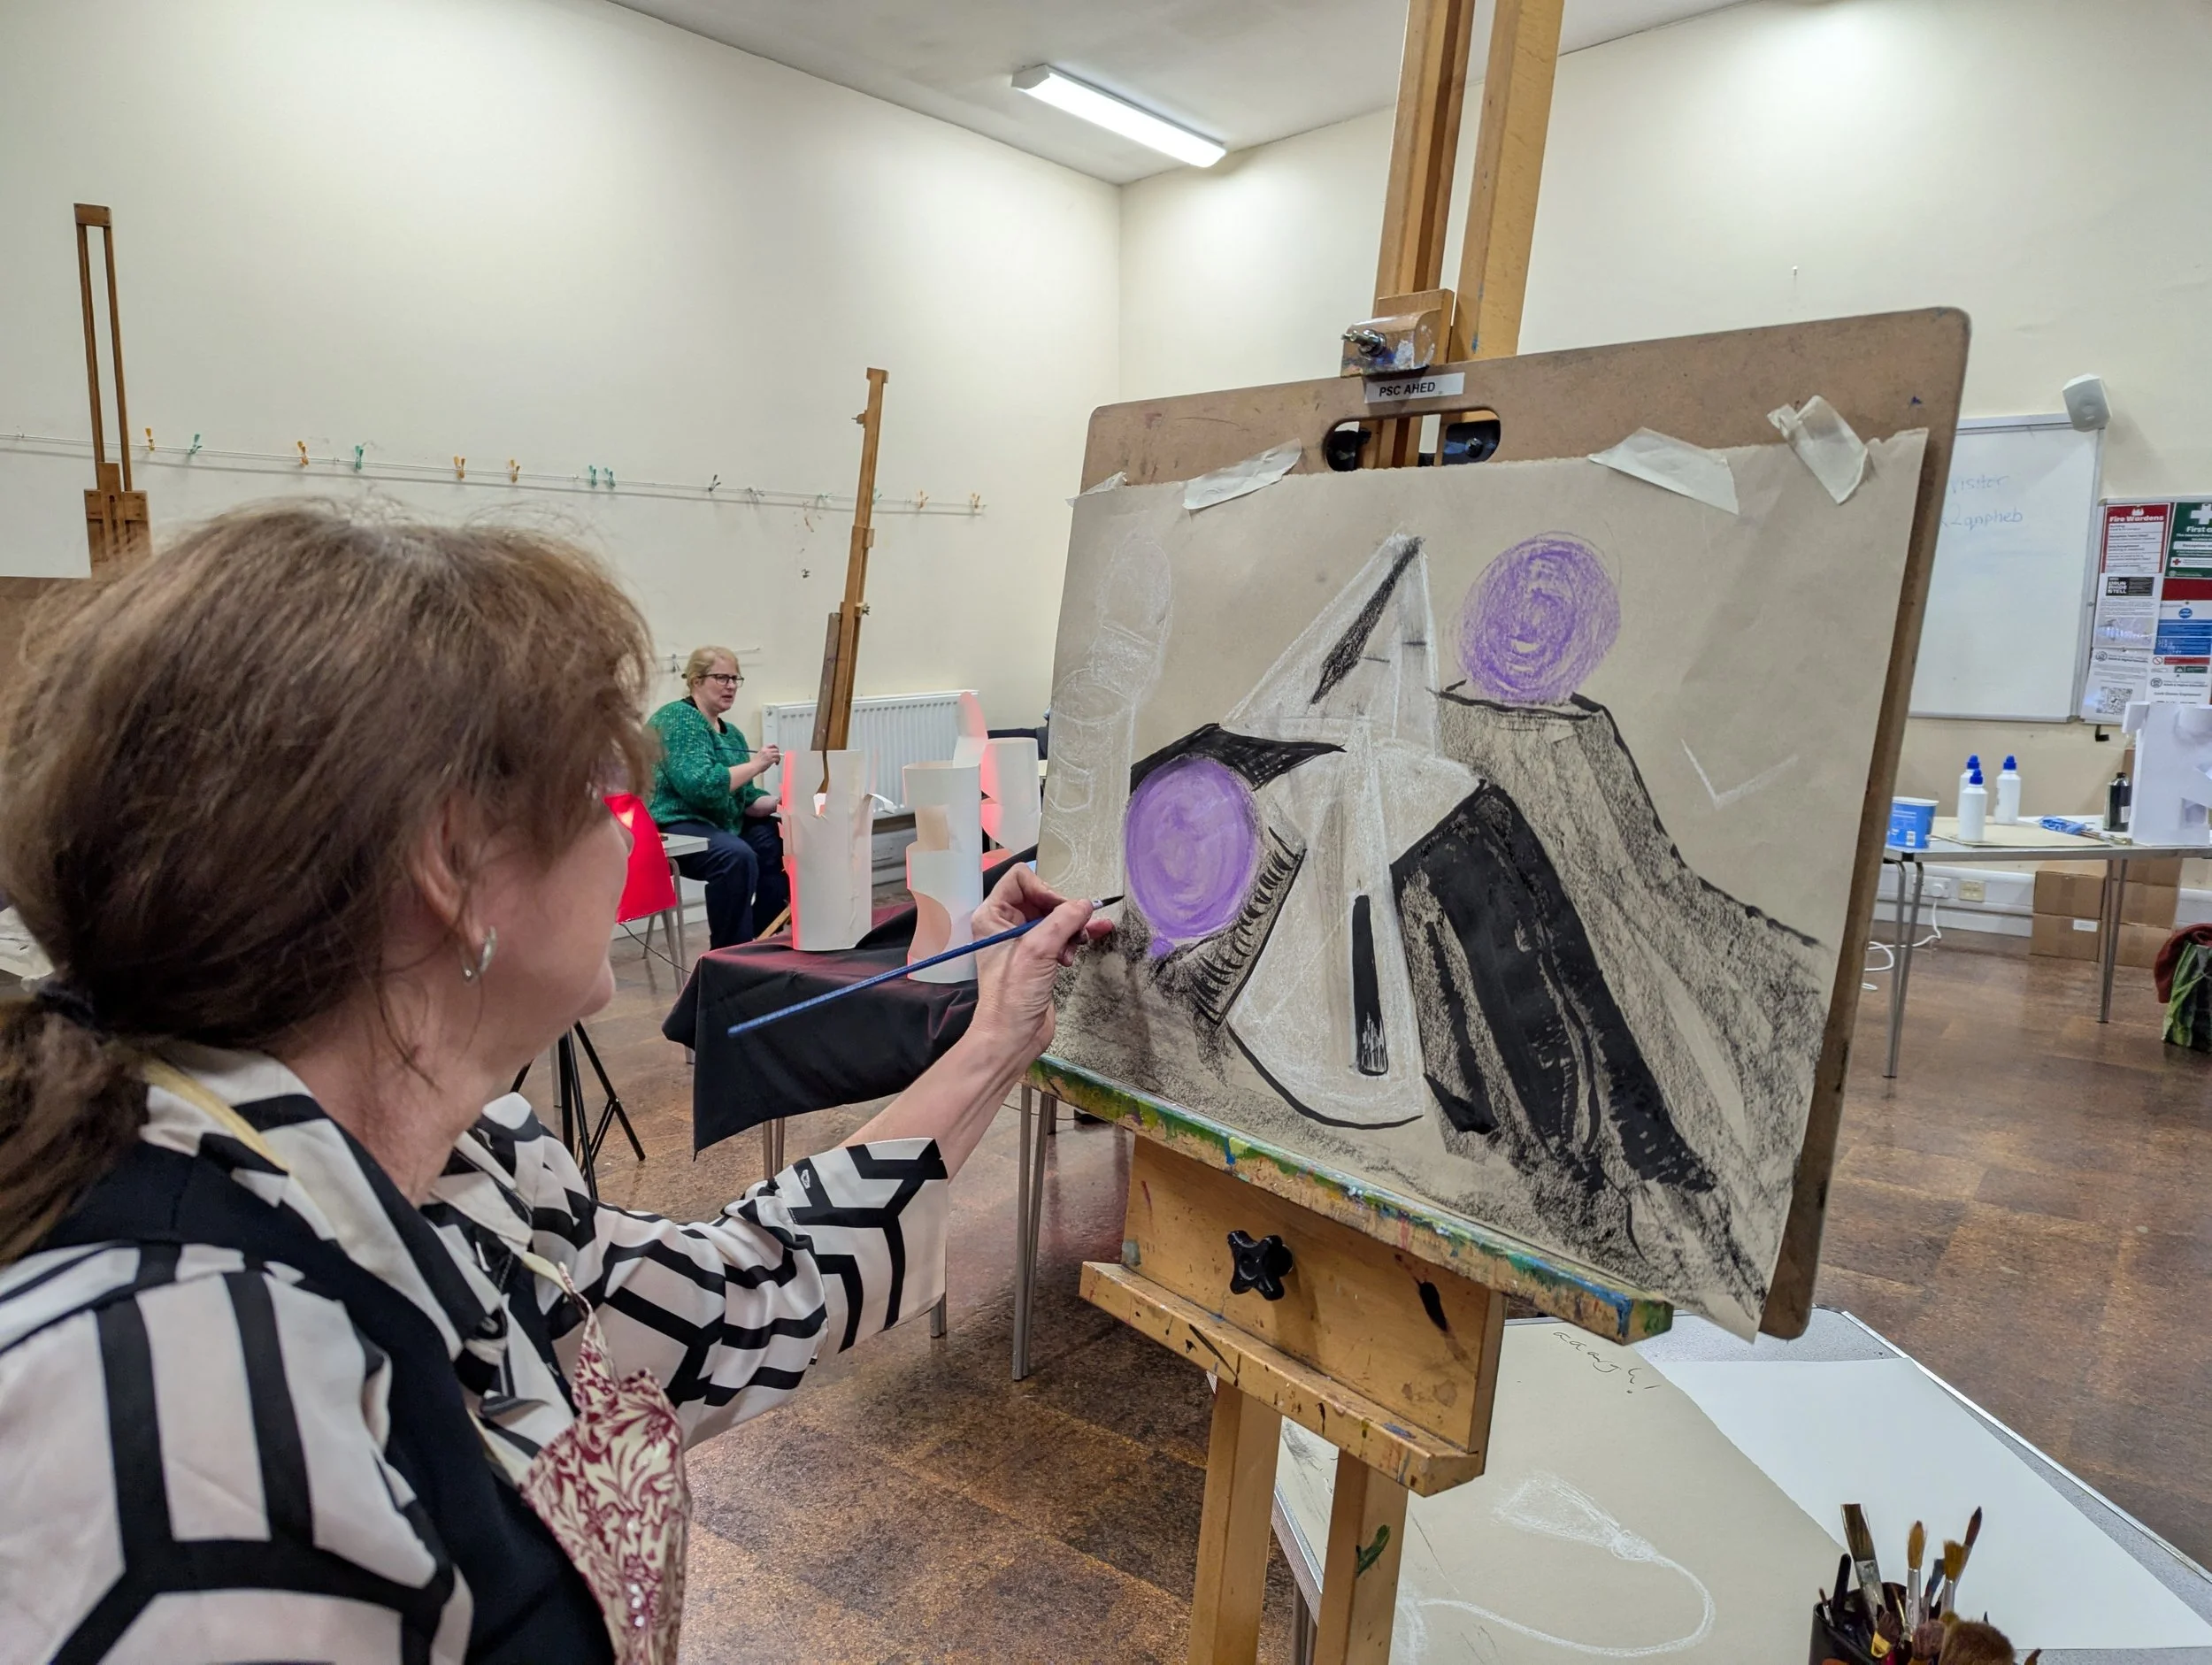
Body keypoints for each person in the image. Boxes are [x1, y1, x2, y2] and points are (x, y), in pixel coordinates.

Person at [0, 503, 1108, 1665]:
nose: (622, 834)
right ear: (452, 862)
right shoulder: (178, 1404)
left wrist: (991, 1036)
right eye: (598, 795)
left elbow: (737, 1299)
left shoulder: (454, 1159)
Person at [649, 647, 787, 947]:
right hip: (675, 824)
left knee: (783, 841)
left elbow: (748, 800)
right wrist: (756, 765)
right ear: (696, 681)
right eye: (721, 677)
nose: (731, 685)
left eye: (735, 678)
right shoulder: (678, 719)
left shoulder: (733, 733)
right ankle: (729, 953)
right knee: (735, 856)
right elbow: (700, 786)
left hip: (721, 823)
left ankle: (764, 939)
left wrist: (783, 801)